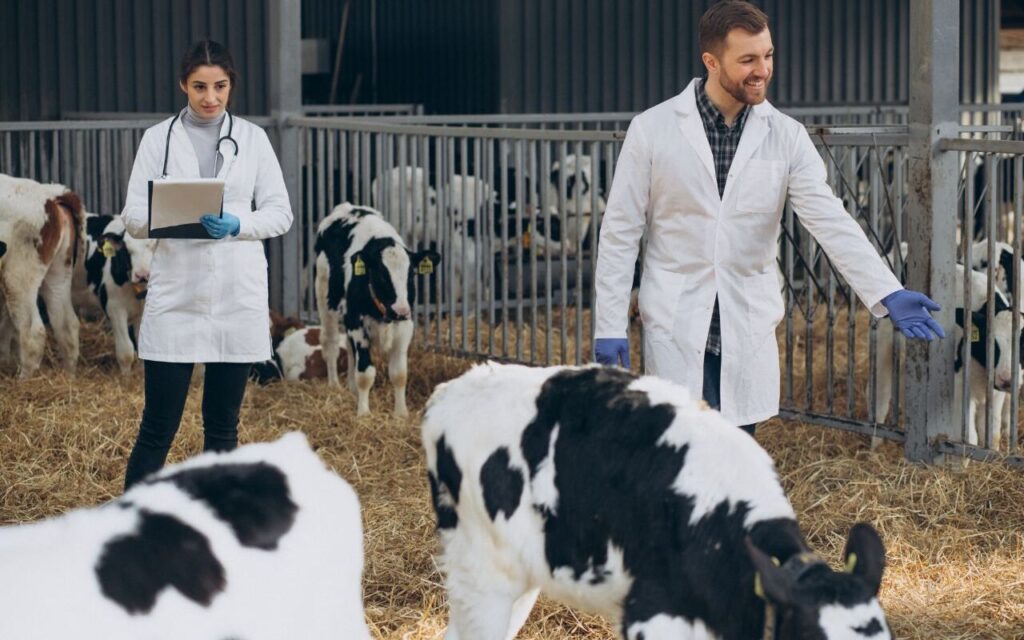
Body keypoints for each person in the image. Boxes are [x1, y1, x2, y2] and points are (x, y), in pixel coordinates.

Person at [593, 1, 943, 436]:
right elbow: (620, 232)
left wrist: (887, 290)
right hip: (677, 319)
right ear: (711, 62)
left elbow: (828, 219)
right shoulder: (654, 129)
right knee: (678, 450)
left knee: (737, 452)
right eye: (748, 60)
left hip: (746, 321)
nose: (763, 69)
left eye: (768, 55)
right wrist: (609, 326)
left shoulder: (786, 136)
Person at [120, 40, 293, 488]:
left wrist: (238, 223)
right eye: (199, 86)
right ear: (183, 85)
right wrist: (169, 218)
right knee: (158, 426)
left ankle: (219, 529)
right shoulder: (156, 139)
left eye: (219, 86)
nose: (210, 97)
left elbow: (280, 213)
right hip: (177, 291)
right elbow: (132, 216)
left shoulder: (253, 139)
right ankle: (130, 529)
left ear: (231, 84)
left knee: (222, 427)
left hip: (236, 294)